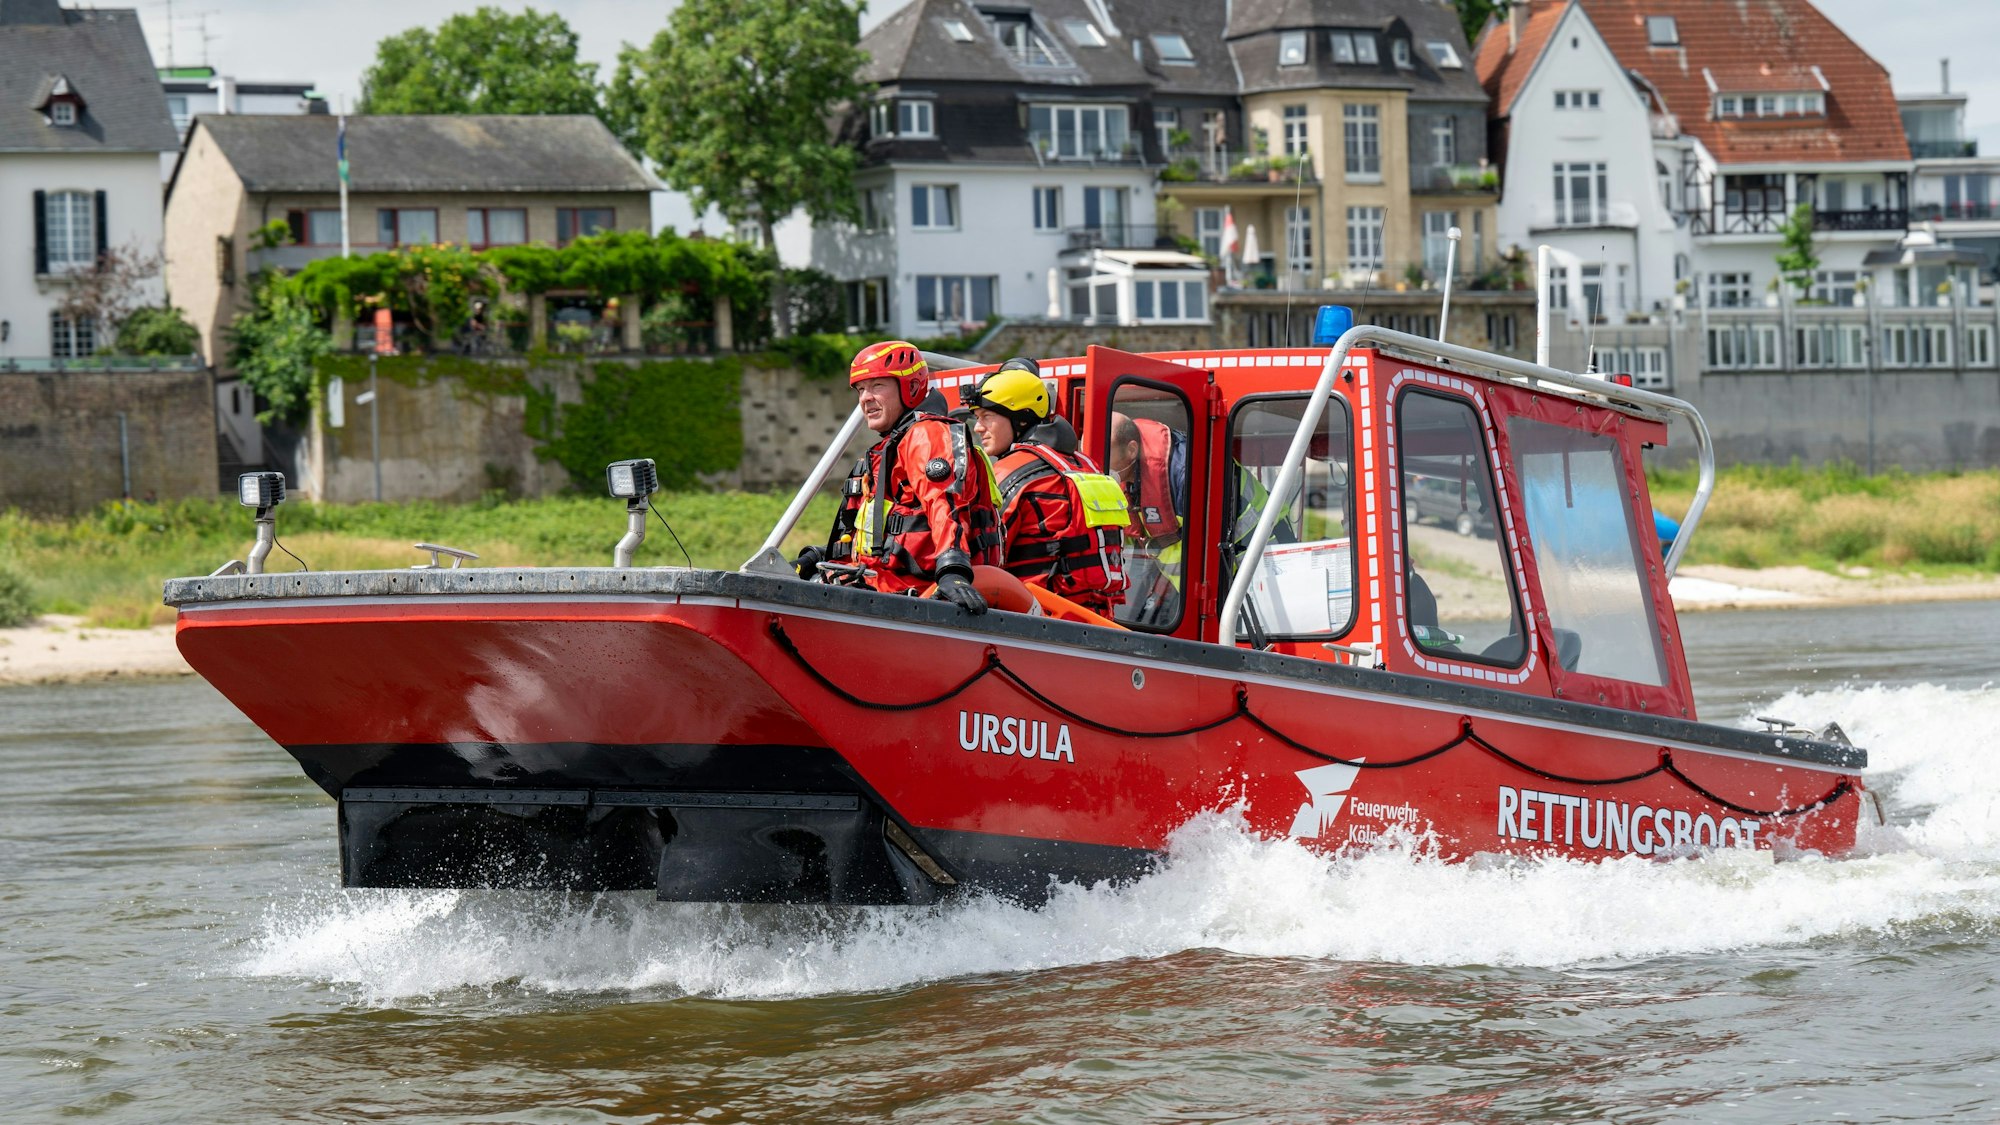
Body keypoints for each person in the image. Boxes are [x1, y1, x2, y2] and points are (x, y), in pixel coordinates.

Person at [795, 341, 1003, 614]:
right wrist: (824, 554)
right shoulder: (893, 445)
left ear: (911, 387)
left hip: (912, 592)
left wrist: (953, 569)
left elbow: (945, 504)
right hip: (882, 582)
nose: (865, 398)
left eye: (877, 386)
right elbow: (889, 536)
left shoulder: (926, 434)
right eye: (860, 389)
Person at [965, 358, 1129, 616]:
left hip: (1036, 622)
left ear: (1019, 419)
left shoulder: (1010, 471)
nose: (978, 427)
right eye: (976, 417)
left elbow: (978, 557)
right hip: (1094, 619)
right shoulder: (1087, 466)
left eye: (987, 416)